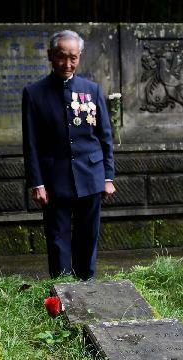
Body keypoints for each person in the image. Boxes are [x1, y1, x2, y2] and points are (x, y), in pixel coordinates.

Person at [22, 29, 115, 280]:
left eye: (73, 57)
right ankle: (62, 290)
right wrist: (37, 182)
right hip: (54, 179)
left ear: (80, 57)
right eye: (62, 57)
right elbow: (30, 143)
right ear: (51, 56)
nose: (67, 63)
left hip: (91, 175)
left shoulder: (92, 90)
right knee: (57, 237)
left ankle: (87, 284)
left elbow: (105, 136)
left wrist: (108, 177)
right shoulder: (34, 93)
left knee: (88, 235)